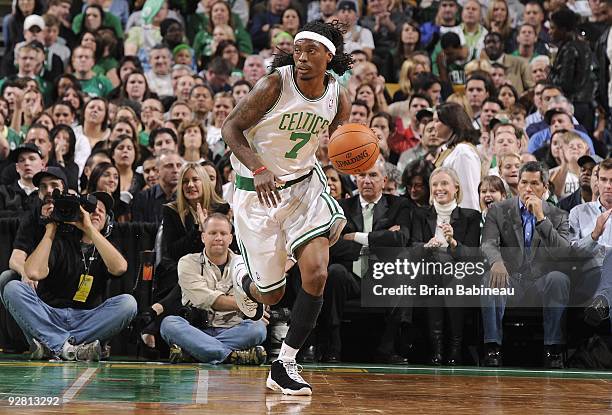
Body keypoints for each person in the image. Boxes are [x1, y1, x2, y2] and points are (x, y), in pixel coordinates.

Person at [221, 20, 351, 395]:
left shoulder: (339, 95)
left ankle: (285, 362)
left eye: (312, 51)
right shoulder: (275, 84)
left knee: (317, 273)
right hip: (255, 193)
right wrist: (258, 167)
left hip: (304, 188)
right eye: (298, 50)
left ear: (330, 56)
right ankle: (243, 277)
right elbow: (231, 128)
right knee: (271, 295)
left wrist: (350, 153)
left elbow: (340, 140)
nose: (303, 58)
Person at [1, 190, 136, 361]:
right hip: (48, 315)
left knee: (128, 304)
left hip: (86, 319)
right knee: (12, 288)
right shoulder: (61, 241)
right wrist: (51, 229)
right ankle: (70, 348)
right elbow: (33, 272)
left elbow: (120, 268)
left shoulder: (106, 248)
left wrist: (90, 229)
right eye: (91, 209)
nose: (96, 212)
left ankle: (53, 345)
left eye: (102, 211)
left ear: (108, 221)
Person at [481, 161, 571, 369]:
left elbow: (564, 252)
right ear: (517, 184)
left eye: (534, 184)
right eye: (523, 183)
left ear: (545, 187)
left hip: (540, 283)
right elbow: (488, 243)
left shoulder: (558, 215)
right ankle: (492, 347)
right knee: (490, 277)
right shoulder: (498, 211)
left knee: (559, 279)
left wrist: (541, 218)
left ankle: (553, 349)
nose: (528, 189)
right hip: (509, 280)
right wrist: (496, 261)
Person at [160, 213, 268, 364]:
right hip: (195, 330)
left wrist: (251, 305)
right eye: (212, 233)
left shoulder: (244, 264)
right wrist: (247, 306)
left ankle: (195, 352)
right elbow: (206, 299)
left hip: (232, 330)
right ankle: (231, 355)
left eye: (223, 233)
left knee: (258, 328)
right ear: (203, 237)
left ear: (231, 238)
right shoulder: (187, 262)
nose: (218, 237)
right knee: (169, 324)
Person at [410, 167, 481, 365]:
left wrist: (453, 243)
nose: (439, 188)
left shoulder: (471, 216)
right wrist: (426, 246)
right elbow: (413, 247)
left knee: (451, 276)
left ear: (456, 188)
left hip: (461, 275)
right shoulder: (420, 214)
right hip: (427, 274)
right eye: (435, 184)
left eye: (444, 184)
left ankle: (451, 349)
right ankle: (441, 348)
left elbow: (473, 255)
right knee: (435, 268)